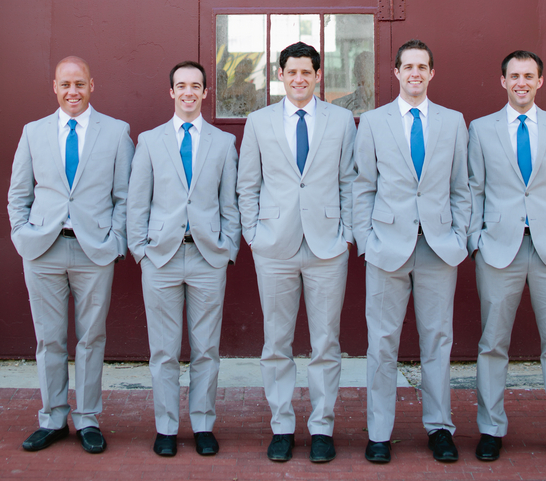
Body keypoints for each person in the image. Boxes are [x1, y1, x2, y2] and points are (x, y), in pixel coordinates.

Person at [468, 50, 546, 464]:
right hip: (498, 250)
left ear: (541, 81)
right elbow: (474, 190)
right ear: (502, 81)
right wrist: (476, 241)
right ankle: (491, 429)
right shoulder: (481, 129)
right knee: (493, 344)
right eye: (514, 76)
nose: (521, 82)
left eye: (529, 76)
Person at [237, 41, 356, 464]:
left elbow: (349, 181)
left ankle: (322, 427)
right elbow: (247, 184)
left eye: (307, 72)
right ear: (281, 75)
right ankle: (282, 425)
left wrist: (347, 234)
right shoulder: (259, 121)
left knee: (326, 343)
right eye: (292, 72)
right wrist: (254, 234)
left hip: (327, 245)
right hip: (274, 245)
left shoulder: (342, 121)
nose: (300, 79)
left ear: (318, 76)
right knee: (276, 342)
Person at [7, 56, 133, 454]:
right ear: (55, 87)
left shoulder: (116, 132)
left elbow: (125, 197)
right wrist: (22, 234)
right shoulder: (33, 132)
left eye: (79, 83)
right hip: (42, 249)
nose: (72, 92)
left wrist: (115, 241)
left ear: (92, 85)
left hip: (93, 251)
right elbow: (18, 194)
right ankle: (53, 417)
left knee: (92, 338)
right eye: (65, 85)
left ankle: (89, 418)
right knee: (49, 339)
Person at [353, 39, 470, 465]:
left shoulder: (454, 122)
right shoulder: (374, 121)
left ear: (431, 73)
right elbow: (362, 185)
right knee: (382, 342)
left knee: (438, 340)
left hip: (439, 248)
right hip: (387, 248)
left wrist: (459, 237)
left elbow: (463, 186)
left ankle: (439, 428)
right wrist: (366, 243)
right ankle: (380, 433)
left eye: (423, 66)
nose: (415, 73)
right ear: (397, 72)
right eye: (408, 66)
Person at [127, 61, 240, 458]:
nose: (188, 92)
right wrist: (140, 250)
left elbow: (231, 204)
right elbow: (136, 201)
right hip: (160, 257)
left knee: (206, 347)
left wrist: (229, 248)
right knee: (164, 349)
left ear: (205, 93)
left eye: (196, 86)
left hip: (208, 256)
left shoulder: (224, 143)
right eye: (181, 86)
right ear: (170, 92)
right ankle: (166, 426)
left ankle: (204, 423)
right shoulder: (150, 141)